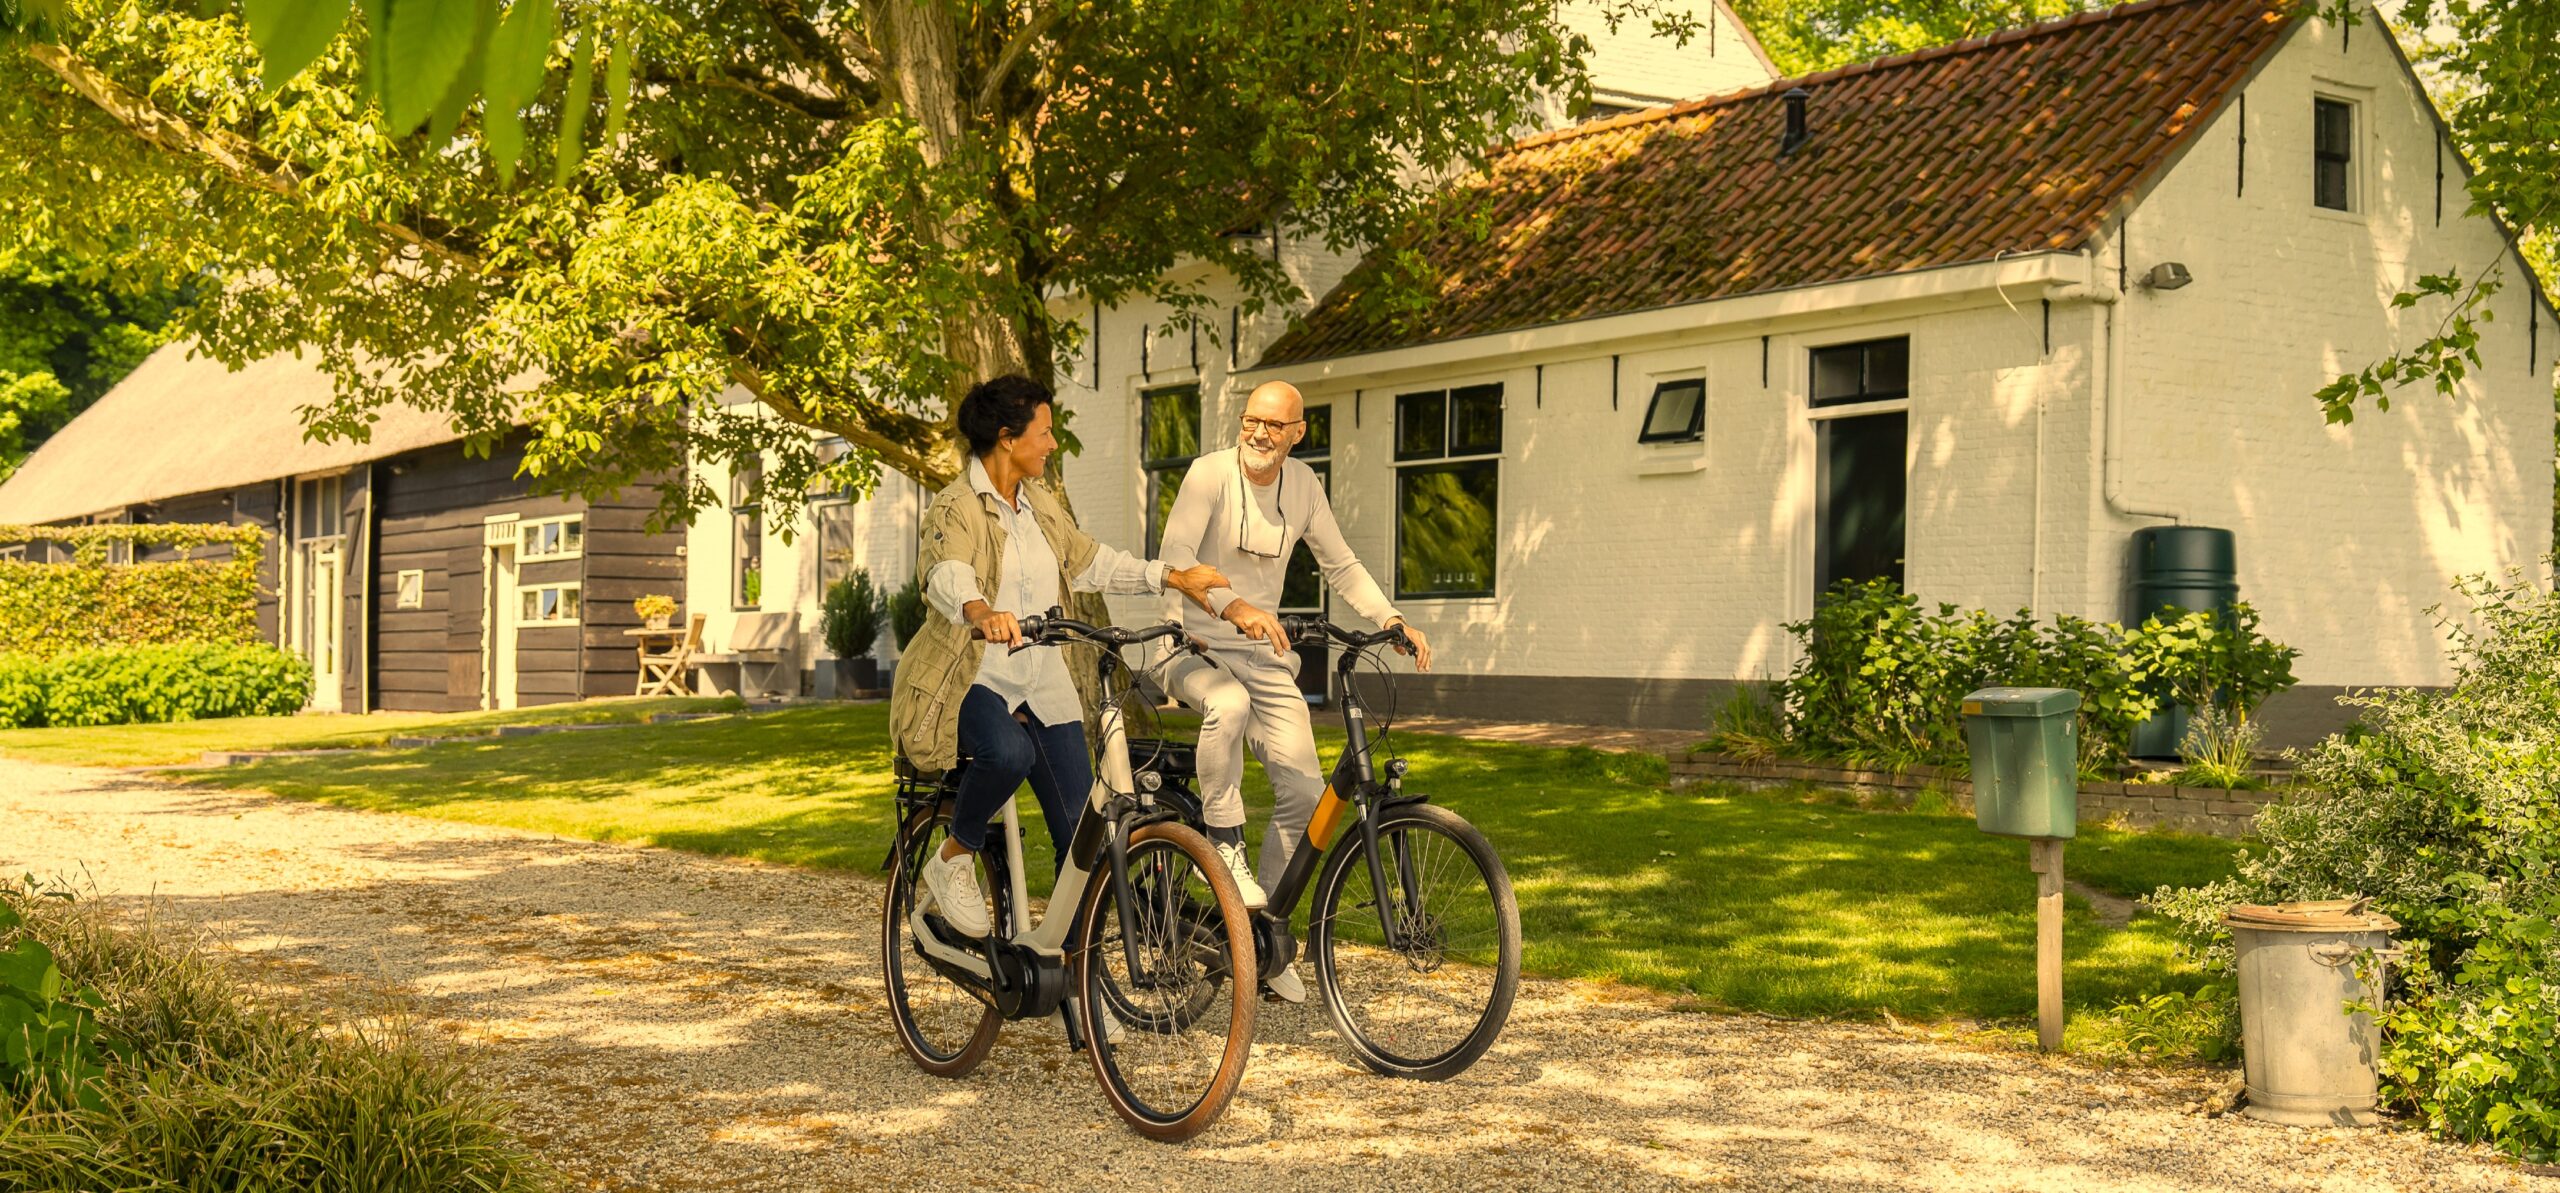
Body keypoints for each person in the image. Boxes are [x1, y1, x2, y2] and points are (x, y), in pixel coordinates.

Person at [890, 375, 1228, 938]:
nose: (1052, 444)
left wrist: (1172, 577)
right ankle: (953, 857)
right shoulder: (955, 506)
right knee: (1007, 752)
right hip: (971, 675)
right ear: (1007, 437)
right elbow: (946, 573)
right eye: (1044, 433)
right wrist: (979, 610)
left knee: (1082, 836)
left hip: (1042, 680)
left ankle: (1072, 977)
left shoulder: (1039, 505)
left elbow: (1091, 560)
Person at [1155, 379, 1433, 1001]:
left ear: (1298, 433)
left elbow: (1341, 563)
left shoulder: (1304, 485)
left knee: (1308, 795)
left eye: (1274, 425)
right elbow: (1177, 559)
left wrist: (1389, 618)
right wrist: (1235, 608)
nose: (1258, 433)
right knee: (1226, 705)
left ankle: (1264, 935)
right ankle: (1224, 844)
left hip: (1262, 649)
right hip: (1190, 642)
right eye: (1250, 420)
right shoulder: (1208, 475)